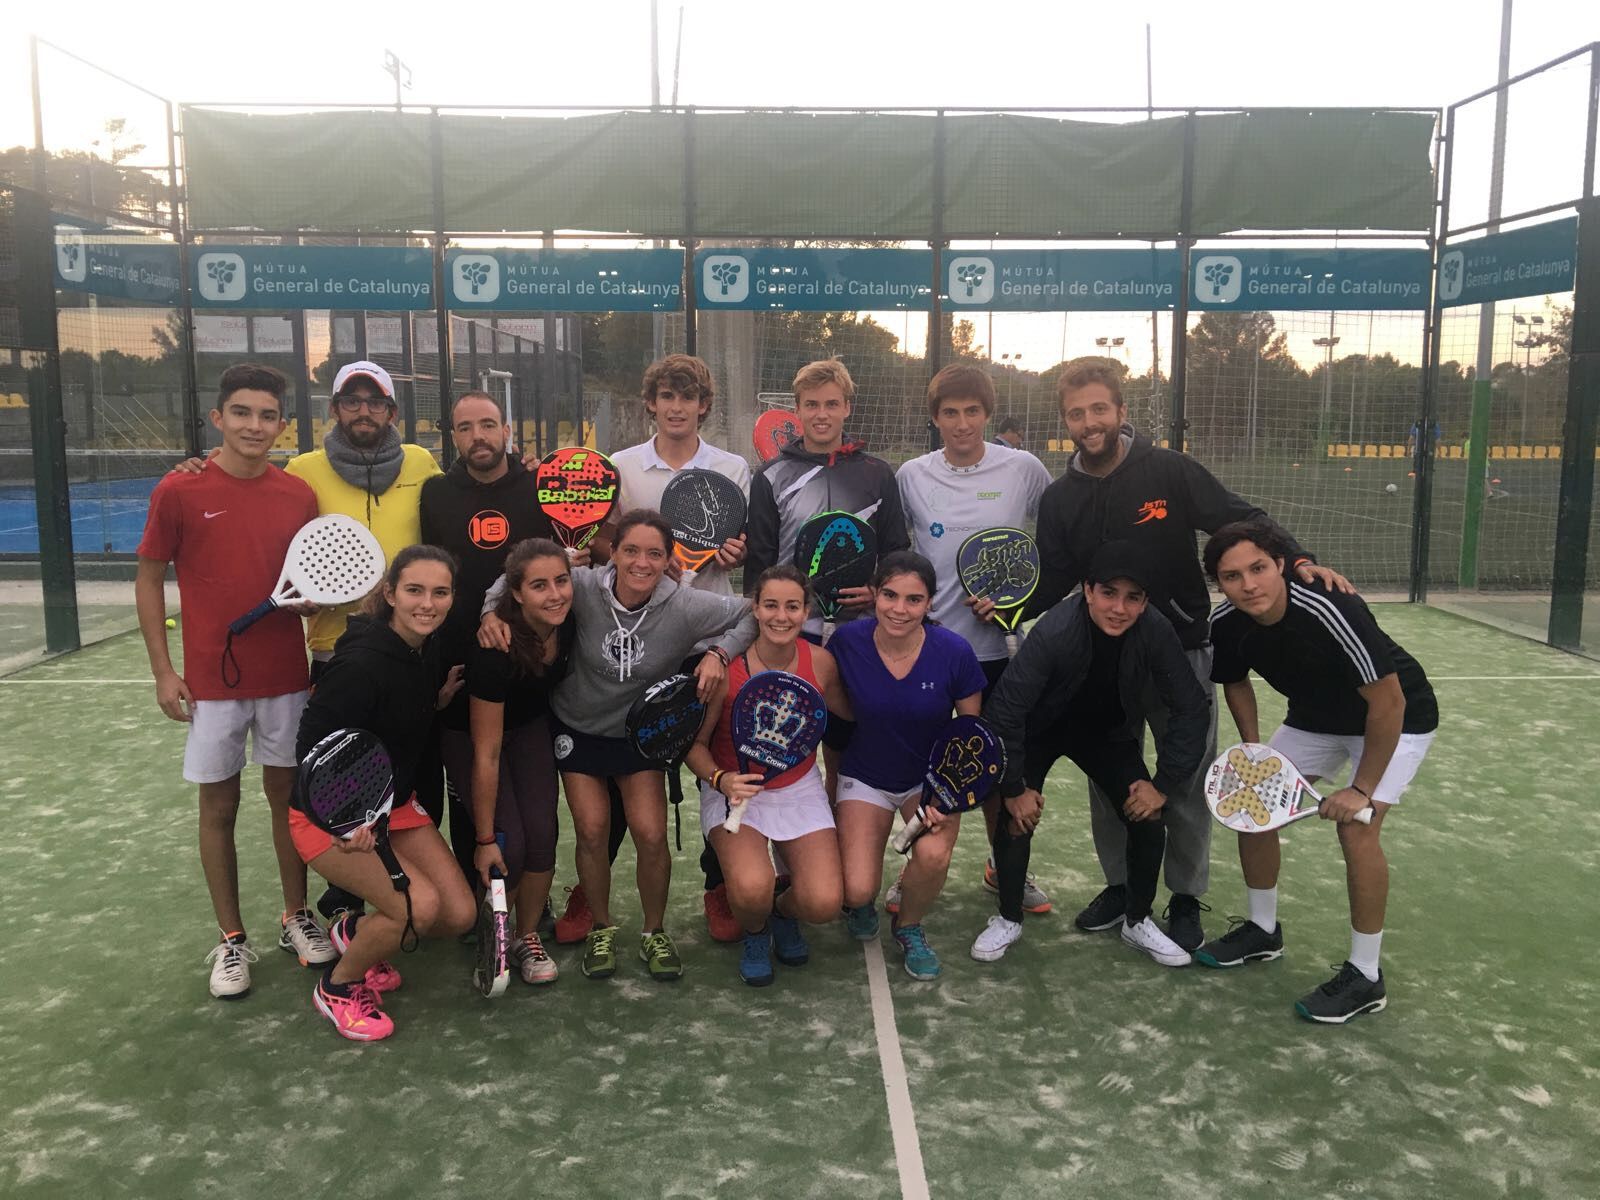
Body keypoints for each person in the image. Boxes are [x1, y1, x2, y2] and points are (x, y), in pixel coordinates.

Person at [984, 360, 1350, 954]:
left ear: (1121, 412)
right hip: (1100, 667)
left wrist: (1299, 557)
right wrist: (1005, 607)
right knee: (1112, 780)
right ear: (1066, 422)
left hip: (1180, 648)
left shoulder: (1170, 471)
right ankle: (1123, 888)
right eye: (1077, 414)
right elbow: (1055, 579)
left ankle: (1183, 895)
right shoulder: (1058, 500)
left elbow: (1239, 517)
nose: (1089, 422)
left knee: (1183, 777)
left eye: (1099, 409)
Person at [485, 509, 757, 980]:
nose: (641, 563)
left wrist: (719, 652)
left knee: (651, 833)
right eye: (631, 550)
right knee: (591, 831)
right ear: (613, 551)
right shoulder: (584, 584)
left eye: (655, 553)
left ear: (669, 559)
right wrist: (490, 612)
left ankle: (655, 932)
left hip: (640, 737)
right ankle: (602, 926)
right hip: (578, 726)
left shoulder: (687, 606)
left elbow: (753, 613)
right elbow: (509, 579)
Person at [134, 363, 333, 1000]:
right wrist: (164, 672)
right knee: (219, 808)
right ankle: (230, 939)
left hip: (284, 677)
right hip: (211, 686)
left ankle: (295, 917)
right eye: (242, 413)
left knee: (288, 801)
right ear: (218, 419)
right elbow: (147, 579)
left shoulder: (297, 494)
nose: (255, 426)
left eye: (268, 415)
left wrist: (303, 604)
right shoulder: (179, 489)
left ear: (282, 424)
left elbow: (304, 576)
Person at [1197, 520, 1438, 1024]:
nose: (1250, 585)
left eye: (1259, 569)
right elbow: (1234, 682)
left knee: (1357, 831)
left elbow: (1387, 702)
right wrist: (1253, 752)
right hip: (1315, 717)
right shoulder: (1226, 624)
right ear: (1221, 584)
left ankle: (1366, 976)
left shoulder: (1330, 606)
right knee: (1251, 805)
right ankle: (1263, 932)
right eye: (1233, 576)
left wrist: (1361, 790)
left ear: (1280, 565)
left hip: (1398, 716)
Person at [976, 543, 1210, 966]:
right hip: (1040, 732)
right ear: (1087, 591)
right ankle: (1008, 918)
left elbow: (1192, 706)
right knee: (1017, 816)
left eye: (1132, 597)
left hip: (1105, 734)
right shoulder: (1055, 630)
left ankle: (1136, 920)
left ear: (1145, 601)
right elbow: (1005, 711)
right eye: (1108, 593)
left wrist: (1163, 784)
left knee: (1150, 812)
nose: (1119, 608)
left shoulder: (1155, 630)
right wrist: (1013, 788)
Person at [587, 354, 753, 946]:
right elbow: (602, 539)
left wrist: (734, 553)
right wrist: (638, 564)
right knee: (613, 762)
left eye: (689, 397)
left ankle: (719, 885)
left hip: (704, 637)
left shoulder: (732, 467)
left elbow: (744, 542)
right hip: (630, 636)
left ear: (704, 405)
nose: (678, 406)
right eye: (667, 396)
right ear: (650, 403)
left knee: (710, 757)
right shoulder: (622, 466)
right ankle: (590, 889)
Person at [293, 546, 474, 1041]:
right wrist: (346, 823)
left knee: (458, 914)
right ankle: (339, 985)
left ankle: (357, 933)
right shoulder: (358, 667)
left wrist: (433, 700)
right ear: (390, 594)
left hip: (393, 805)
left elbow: (396, 712)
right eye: (414, 590)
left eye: (440, 593)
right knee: (416, 908)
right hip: (327, 817)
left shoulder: (424, 646)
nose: (428, 604)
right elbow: (311, 748)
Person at [895, 363, 1051, 917]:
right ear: (935, 419)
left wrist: (1018, 602)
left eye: (972, 412)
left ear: (987, 414)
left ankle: (1006, 868)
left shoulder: (1025, 469)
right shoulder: (912, 474)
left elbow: (1049, 547)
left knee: (1001, 766)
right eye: (950, 413)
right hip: (932, 649)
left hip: (999, 652)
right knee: (926, 766)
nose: (961, 424)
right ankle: (914, 865)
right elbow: (901, 556)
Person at [683, 566, 848, 986]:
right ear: (754, 608)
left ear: (806, 611)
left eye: (792, 606)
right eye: (770, 605)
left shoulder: (822, 664)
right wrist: (721, 780)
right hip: (734, 790)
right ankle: (756, 931)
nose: (781, 616)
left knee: (824, 902)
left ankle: (782, 912)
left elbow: (849, 723)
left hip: (798, 787)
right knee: (751, 889)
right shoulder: (725, 669)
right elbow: (693, 747)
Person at [420, 391, 555, 894]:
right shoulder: (435, 493)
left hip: (528, 668)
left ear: (506, 430)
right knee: (473, 806)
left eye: (488, 424)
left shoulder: (538, 486)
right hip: (458, 671)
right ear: (452, 436)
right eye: (465, 428)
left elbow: (577, 545)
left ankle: (526, 914)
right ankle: (482, 904)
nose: (478, 436)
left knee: (532, 811)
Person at [829, 552, 986, 980]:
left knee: (933, 854)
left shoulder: (954, 652)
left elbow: (970, 735)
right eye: (890, 595)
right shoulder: (846, 642)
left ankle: (909, 925)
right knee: (858, 889)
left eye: (914, 599)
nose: (900, 609)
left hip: (929, 782)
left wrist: (946, 796)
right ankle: (860, 903)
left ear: (931, 603)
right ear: (874, 595)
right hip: (865, 778)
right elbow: (829, 709)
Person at [467, 539, 574, 986]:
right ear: (515, 593)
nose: (555, 594)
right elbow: (486, 753)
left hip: (530, 727)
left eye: (562, 581)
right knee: (507, 844)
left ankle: (527, 935)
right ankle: (494, 929)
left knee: (543, 835)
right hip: (475, 737)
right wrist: (484, 837)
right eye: (539, 585)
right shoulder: (496, 649)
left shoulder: (570, 621)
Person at [744, 358, 911, 637]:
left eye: (831, 404)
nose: (821, 414)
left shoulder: (878, 474)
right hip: (792, 629)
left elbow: (896, 551)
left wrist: (877, 590)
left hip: (862, 627)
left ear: (847, 407)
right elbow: (760, 561)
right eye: (812, 405)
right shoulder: (770, 476)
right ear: (797, 409)